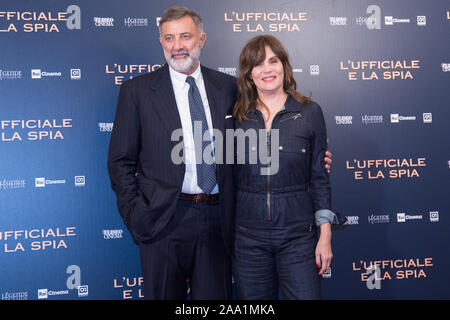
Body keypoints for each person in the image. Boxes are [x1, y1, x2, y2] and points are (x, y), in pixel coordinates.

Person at [108, 6, 332, 300]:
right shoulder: (136, 91)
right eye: (169, 38)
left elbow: (269, 129)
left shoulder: (229, 89)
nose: (177, 45)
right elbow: (120, 162)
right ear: (161, 42)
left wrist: (313, 155)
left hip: (219, 220)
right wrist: (136, 216)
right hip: (163, 220)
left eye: (185, 36)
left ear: (201, 40)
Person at [231, 35, 338, 300]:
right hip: (248, 240)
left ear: (284, 66)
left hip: (298, 238)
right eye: (258, 64)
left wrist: (325, 236)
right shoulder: (235, 117)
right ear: (249, 74)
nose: (267, 69)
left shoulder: (310, 112)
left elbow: (319, 180)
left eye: (273, 61)